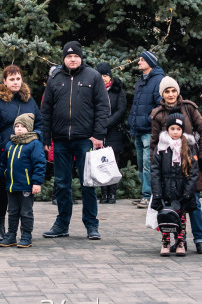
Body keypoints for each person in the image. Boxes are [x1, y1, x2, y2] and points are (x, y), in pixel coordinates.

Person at [41, 41, 110, 240]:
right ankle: (62, 224)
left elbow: (103, 108)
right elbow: (46, 111)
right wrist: (46, 138)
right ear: (63, 58)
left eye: (76, 56)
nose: (72, 59)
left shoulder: (93, 77)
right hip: (61, 140)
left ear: (81, 58)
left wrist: (98, 135)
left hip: (85, 140)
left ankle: (91, 225)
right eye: (69, 56)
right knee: (62, 184)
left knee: (88, 183)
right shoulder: (55, 78)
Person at [150, 76, 202, 254]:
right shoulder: (158, 114)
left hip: (190, 163)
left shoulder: (189, 108)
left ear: (178, 91)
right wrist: (155, 171)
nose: (171, 94)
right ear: (162, 94)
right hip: (168, 170)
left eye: (173, 90)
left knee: (194, 203)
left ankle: (200, 238)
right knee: (172, 205)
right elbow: (154, 145)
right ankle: (179, 240)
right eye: (167, 91)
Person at [0, 65, 43, 242]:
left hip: (26, 156)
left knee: (25, 192)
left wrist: (36, 139)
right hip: (5, 153)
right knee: (4, 191)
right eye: (12, 79)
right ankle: (1, 227)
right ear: (4, 81)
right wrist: (5, 146)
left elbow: (39, 123)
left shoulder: (29, 101)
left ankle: (25, 230)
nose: (16, 82)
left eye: (18, 78)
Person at [150, 113, 198, 257]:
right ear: (167, 130)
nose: (175, 132)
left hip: (181, 190)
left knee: (181, 218)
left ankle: (180, 242)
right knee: (165, 216)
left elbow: (193, 172)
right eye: (172, 128)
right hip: (165, 190)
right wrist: (157, 192)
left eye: (178, 129)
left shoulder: (188, 147)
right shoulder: (161, 148)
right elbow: (155, 171)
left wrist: (187, 192)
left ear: (182, 130)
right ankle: (165, 242)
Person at [0, 113, 47, 248]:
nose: (19, 129)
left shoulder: (34, 144)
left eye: (23, 126)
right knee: (12, 211)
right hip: (12, 185)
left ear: (29, 128)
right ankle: (11, 235)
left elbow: (40, 163)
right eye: (17, 126)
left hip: (26, 185)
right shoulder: (10, 144)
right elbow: (3, 163)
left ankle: (26, 235)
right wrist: (0, 175)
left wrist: (37, 182)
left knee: (26, 212)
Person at [128, 50, 165, 209]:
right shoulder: (141, 81)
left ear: (150, 62)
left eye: (142, 60)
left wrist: (150, 119)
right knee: (141, 163)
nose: (138, 62)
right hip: (138, 129)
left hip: (149, 130)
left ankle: (149, 195)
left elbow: (160, 105)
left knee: (148, 165)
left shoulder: (159, 80)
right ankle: (145, 194)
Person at [96, 62, 127, 204]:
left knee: (113, 162)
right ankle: (103, 194)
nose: (103, 78)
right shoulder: (95, 90)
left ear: (110, 76)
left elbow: (121, 110)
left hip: (114, 131)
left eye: (105, 75)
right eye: (100, 75)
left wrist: (107, 123)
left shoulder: (117, 90)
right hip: (99, 133)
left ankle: (112, 194)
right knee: (101, 163)